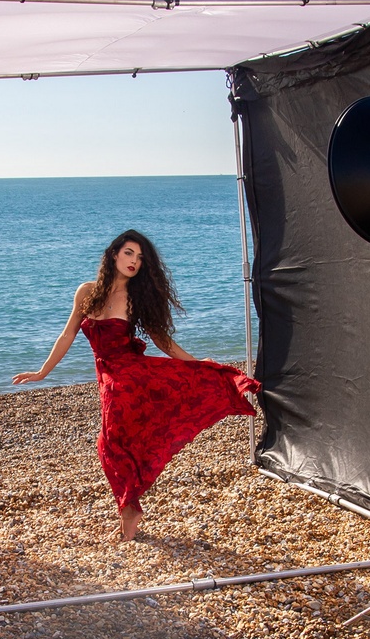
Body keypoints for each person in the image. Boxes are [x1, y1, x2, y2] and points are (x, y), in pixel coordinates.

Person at [13, 229, 260, 541]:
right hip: (107, 376)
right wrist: (42, 372)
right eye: (129, 253)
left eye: (140, 258)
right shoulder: (86, 292)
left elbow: (165, 343)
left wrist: (199, 365)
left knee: (110, 443)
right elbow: (67, 335)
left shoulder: (136, 299)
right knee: (111, 445)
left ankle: (130, 509)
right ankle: (129, 505)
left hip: (128, 378)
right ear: (114, 254)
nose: (134, 261)